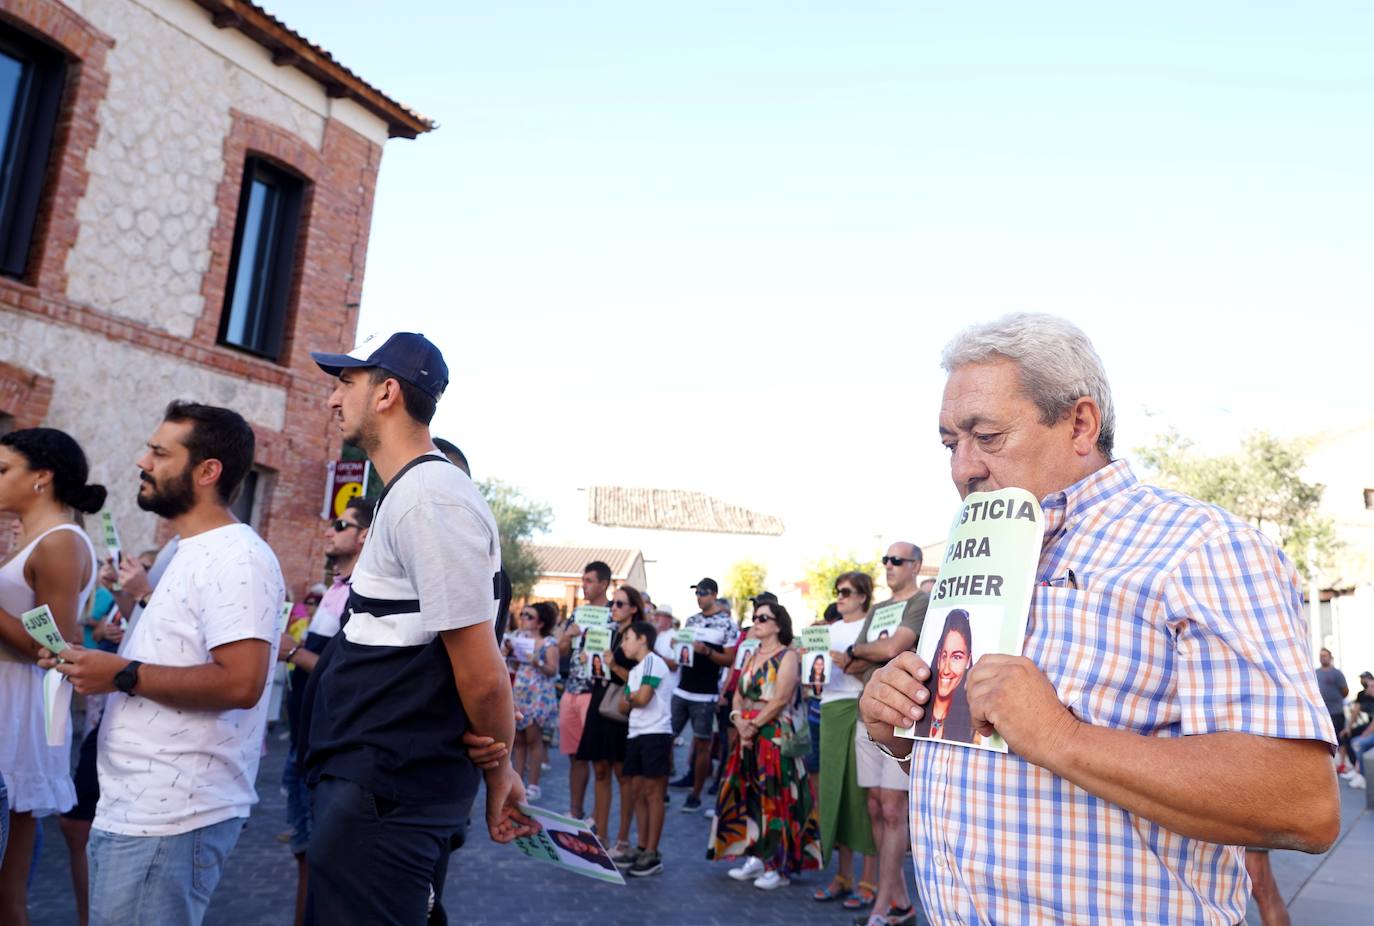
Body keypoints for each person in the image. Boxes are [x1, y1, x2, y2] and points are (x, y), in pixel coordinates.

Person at [861, 313, 1340, 924]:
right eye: (951, 442)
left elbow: (1303, 804)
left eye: (987, 436)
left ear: (1081, 424)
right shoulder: (976, 551)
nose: (963, 469)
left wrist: (1064, 738)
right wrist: (901, 734)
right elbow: (982, 758)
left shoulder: (1201, 549)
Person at [301, 332, 532, 925]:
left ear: (387, 392)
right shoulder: (414, 494)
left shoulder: (431, 499)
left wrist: (500, 770)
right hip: (376, 787)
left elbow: (482, 677)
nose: (334, 400)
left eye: (345, 383)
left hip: (387, 791)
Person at [39, 403, 283, 926]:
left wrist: (122, 675)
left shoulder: (238, 557)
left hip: (174, 816)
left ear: (207, 470)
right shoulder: (181, 551)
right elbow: (170, 655)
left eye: (159, 452)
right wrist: (91, 664)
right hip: (135, 806)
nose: (140, 461)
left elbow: (241, 681)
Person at [0, 428, 102, 925]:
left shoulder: (61, 542)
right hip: (12, 702)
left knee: (8, 893)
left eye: (3, 470)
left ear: (42, 477)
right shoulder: (39, 538)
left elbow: (57, 649)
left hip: (20, 710)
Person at [276, 496, 372, 926]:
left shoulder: (361, 596)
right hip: (301, 743)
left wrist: (291, 651)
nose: (330, 530)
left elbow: (342, 675)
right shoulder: (334, 590)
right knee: (305, 857)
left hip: (323, 751)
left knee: (324, 863)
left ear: (365, 535)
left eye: (342, 523)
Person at [842, 542, 928, 926]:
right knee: (876, 804)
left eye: (897, 560)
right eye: (886, 560)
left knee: (894, 809)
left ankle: (881, 906)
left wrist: (864, 649)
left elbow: (893, 646)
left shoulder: (920, 602)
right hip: (867, 710)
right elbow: (850, 663)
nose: (890, 566)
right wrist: (866, 652)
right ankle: (898, 902)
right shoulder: (878, 609)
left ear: (916, 565)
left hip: (902, 716)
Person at [709, 602, 822, 888]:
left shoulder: (788, 656)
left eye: (763, 618)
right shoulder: (753, 655)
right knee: (749, 794)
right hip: (746, 734)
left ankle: (779, 864)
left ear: (778, 624)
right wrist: (738, 719)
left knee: (776, 797)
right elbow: (737, 693)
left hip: (772, 734)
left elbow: (781, 698)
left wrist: (754, 724)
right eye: (754, 617)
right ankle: (756, 855)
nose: (756, 622)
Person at [812, 571, 877, 911]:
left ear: (863, 596)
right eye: (837, 591)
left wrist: (849, 662)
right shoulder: (827, 630)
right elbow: (813, 677)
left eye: (847, 592)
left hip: (863, 708)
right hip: (830, 709)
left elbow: (878, 663)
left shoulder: (875, 626)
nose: (840, 596)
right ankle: (842, 875)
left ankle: (869, 878)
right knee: (833, 791)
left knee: (863, 795)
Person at [578, 585, 640, 860]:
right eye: (613, 604)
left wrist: (613, 665)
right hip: (599, 698)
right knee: (599, 769)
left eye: (620, 604)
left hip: (622, 707)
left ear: (633, 609)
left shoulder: (639, 637)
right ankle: (600, 833)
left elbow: (640, 680)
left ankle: (623, 839)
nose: (613, 608)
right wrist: (587, 660)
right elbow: (591, 667)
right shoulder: (604, 632)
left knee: (622, 774)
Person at [670, 578, 740, 813]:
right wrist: (677, 645)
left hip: (705, 693)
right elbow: (683, 653)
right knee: (666, 738)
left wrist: (707, 651)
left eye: (703, 593)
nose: (699, 596)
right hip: (682, 688)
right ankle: (660, 788)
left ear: (714, 594)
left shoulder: (727, 624)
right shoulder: (692, 620)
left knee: (702, 745)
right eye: (697, 593)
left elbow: (730, 659)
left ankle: (695, 795)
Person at [557, 561, 613, 823]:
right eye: (583, 580)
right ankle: (575, 811)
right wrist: (568, 636)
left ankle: (597, 817)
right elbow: (563, 651)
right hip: (572, 689)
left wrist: (592, 634)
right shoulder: (578, 613)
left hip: (597, 690)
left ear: (604, 584)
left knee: (598, 760)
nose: (584, 585)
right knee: (574, 756)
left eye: (589, 580)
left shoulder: (615, 613)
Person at [619, 619, 673, 876]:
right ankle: (641, 845)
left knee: (653, 793)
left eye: (627, 637)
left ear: (642, 639)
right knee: (638, 792)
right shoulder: (636, 669)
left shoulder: (653, 661)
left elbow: (640, 699)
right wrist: (632, 697)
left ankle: (653, 851)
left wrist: (632, 697)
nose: (623, 644)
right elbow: (624, 704)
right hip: (636, 732)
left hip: (655, 734)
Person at [507, 601, 560, 801]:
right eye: (522, 614)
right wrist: (508, 655)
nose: (523, 619)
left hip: (538, 695)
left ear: (540, 623)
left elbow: (552, 669)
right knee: (518, 740)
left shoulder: (548, 642)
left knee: (533, 740)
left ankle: (534, 784)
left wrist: (535, 660)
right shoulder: (518, 638)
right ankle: (518, 782)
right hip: (520, 691)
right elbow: (514, 665)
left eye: (529, 616)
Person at [909, 609, 977, 744]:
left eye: (956, 657)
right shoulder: (916, 702)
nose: (946, 669)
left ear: (968, 661)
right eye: (944, 655)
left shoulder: (974, 723)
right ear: (938, 657)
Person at [1340, 671, 1374, 788]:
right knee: (1346, 736)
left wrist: (1367, 733)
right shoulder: (1362, 694)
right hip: (1370, 725)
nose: (1363, 682)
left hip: (1372, 728)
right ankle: (1357, 770)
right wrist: (1348, 728)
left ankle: (1362, 775)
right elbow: (1355, 712)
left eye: (1366, 680)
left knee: (1359, 744)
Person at [1316, 647, 1349, 748]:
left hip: (1336, 712)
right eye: (1321, 656)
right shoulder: (1316, 673)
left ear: (1330, 658)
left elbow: (1345, 691)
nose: (1322, 658)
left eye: (1325, 656)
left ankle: (1342, 763)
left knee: (1340, 738)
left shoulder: (1337, 673)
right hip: (1321, 712)